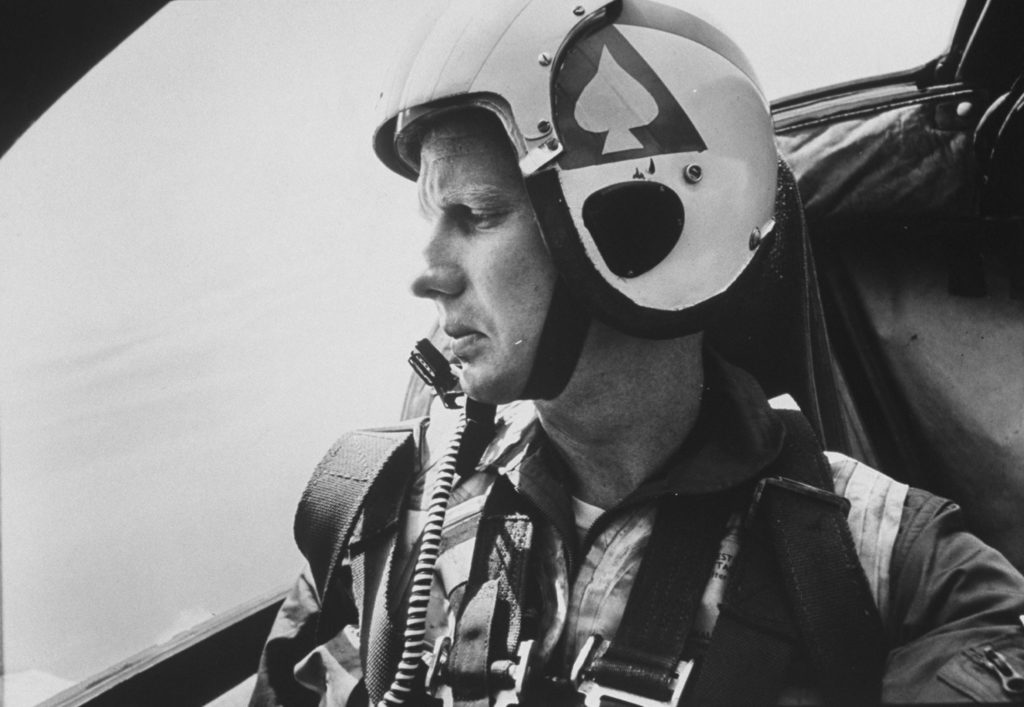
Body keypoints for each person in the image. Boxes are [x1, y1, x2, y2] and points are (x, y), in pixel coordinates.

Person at [251, 1, 1024, 704]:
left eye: (477, 214)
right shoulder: (376, 519)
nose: (429, 273)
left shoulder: (891, 558)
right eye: (432, 218)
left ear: (639, 227)